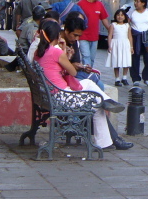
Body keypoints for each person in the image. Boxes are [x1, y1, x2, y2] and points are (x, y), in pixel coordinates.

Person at [34, 20, 132, 150]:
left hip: (50, 95)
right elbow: (73, 72)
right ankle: (104, 139)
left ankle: (106, 101)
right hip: (62, 97)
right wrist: (64, 52)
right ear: (57, 36)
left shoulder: (39, 52)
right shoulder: (55, 52)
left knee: (89, 83)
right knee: (97, 104)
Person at [63, 14, 106, 91]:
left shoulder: (73, 41)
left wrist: (83, 67)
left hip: (71, 73)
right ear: (66, 31)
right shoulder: (58, 42)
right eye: (75, 35)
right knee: (94, 86)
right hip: (64, 76)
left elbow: (76, 62)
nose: (77, 39)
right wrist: (71, 66)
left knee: (99, 84)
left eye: (79, 36)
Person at [77, 0, 110, 67]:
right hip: (83, 36)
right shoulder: (80, 4)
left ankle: (89, 73)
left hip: (94, 37)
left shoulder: (100, 5)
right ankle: (86, 74)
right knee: (86, 56)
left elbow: (104, 19)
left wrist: (110, 30)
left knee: (92, 58)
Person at [129, 0, 148, 87]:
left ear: (143, 3)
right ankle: (135, 78)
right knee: (135, 57)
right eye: (135, 1)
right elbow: (127, 24)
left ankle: (147, 78)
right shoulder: (131, 12)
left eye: (138, 1)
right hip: (135, 36)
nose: (136, 3)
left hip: (147, 36)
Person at [106, 9, 133, 86]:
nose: (120, 17)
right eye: (118, 15)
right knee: (116, 61)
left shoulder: (127, 25)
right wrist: (109, 45)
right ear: (115, 16)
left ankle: (124, 77)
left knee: (126, 61)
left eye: (122, 15)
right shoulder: (113, 25)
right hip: (116, 44)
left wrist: (131, 47)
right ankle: (117, 78)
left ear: (125, 17)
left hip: (125, 44)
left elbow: (130, 36)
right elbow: (110, 35)